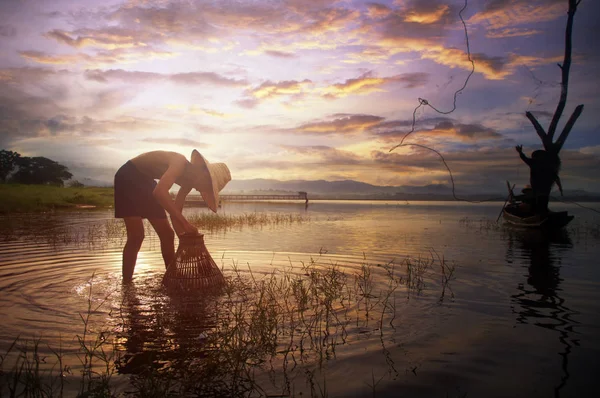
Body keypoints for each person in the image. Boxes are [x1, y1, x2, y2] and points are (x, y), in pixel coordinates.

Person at [114, 150, 231, 282]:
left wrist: (183, 236)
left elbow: (176, 211)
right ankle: (127, 284)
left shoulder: (189, 183)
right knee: (136, 236)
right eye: (206, 186)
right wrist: (186, 224)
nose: (200, 190)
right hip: (128, 176)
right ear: (204, 173)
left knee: (168, 235)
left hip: (147, 181)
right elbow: (159, 192)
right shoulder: (179, 161)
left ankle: (172, 279)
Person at [515, 145, 562, 214]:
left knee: (539, 202)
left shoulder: (534, 162)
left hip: (539, 188)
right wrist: (560, 187)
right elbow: (556, 177)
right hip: (543, 188)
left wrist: (520, 152)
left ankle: (539, 214)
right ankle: (540, 214)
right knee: (542, 202)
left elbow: (524, 158)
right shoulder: (547, 165)